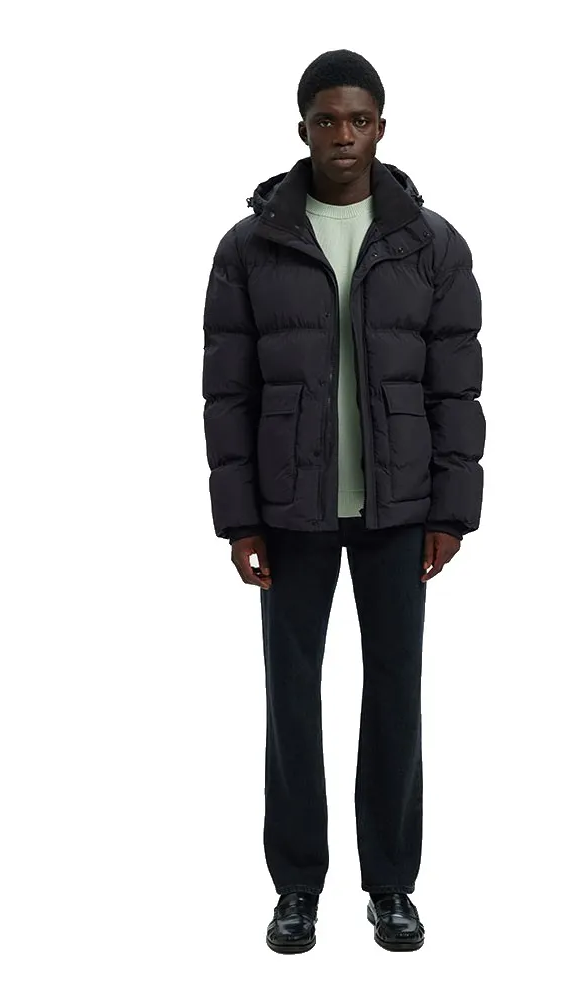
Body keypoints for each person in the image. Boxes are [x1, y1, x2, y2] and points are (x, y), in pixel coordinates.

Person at [201, 49, 485, 953]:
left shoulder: (432, 245)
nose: (344, 135)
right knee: (292, 699)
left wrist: (451, 510)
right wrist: (240, 518)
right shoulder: (249, 248)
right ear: (303, 129)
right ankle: (296, 889)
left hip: (400, 509)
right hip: (292, 510)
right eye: (327, 120)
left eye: (359, 120)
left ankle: (391, 886)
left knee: (396, 695)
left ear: (382, 128)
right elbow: (227, 395)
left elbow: (456, 387)